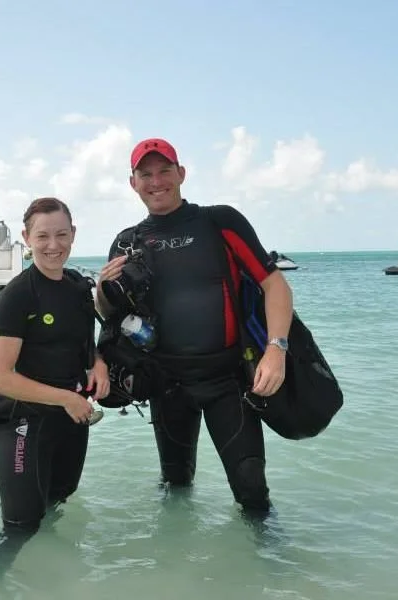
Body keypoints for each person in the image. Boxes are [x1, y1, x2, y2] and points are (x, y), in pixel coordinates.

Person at [95, 138, 294, 518]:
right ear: (133, 183)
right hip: (166, 384)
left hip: (228, 381)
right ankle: (175, 566)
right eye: (146, 174)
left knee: (252, 490)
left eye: (165, 171)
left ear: (181, 174)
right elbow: (111, 315)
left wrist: (276, 348)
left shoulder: (219, 222)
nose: (156, 181)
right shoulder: (126, 241)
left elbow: (275, 285)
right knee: (176, 486)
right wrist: (103, 290)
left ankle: (269, 569)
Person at [0, 196, 111, 537]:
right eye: (42, 236)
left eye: (61, 235)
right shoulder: (17, 296)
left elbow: (83, 344)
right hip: (23, 421)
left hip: (71, 419)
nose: (53, 246)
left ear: (73, 234)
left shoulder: (78, 287)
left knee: (58, 505)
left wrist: (99, 364)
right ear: (26, 238)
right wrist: (66, 399)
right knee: (19, 528)